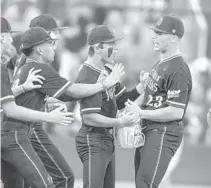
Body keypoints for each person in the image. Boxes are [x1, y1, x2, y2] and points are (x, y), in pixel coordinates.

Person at [7, 25, 124, 188]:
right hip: (15, 135)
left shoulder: (26, 66)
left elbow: (64, 95)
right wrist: (105, 84)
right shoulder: (40, 68)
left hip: (13, 134)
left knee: (18, 184)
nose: (55, 47)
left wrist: (46, 104)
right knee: (53, 180)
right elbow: (74, 91)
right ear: (40, 49)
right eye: (50, 43)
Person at [0, 17, 74, 188]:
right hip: (17, 131)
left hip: (9, 131)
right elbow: (10, 109)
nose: (12, 40)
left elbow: (4, 99)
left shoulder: (14, 62)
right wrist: (48, 117)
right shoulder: (28, 63)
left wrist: (23, 89)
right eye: (52, 35)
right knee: (50, 181)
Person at [75, 25, 147, 188]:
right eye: (111, 46)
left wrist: (140, 87)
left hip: (106, 139)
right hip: (92, 139)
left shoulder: (107, 71)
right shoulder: (87, 75)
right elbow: (89, 117)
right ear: (97, 48)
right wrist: (120, 123)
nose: (115, 49)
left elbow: (120, 101)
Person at [125, 15, 192, 188]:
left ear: (174, 38)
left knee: (145, 183)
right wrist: (131, 110)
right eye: (155, 32)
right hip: (150, 129)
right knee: (141, 183)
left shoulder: (178, 69)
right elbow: (150, 96)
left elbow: (176, 111)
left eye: (160, 33)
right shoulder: (161, 63)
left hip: (164, 132)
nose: (154, 37)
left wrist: (141, 112)